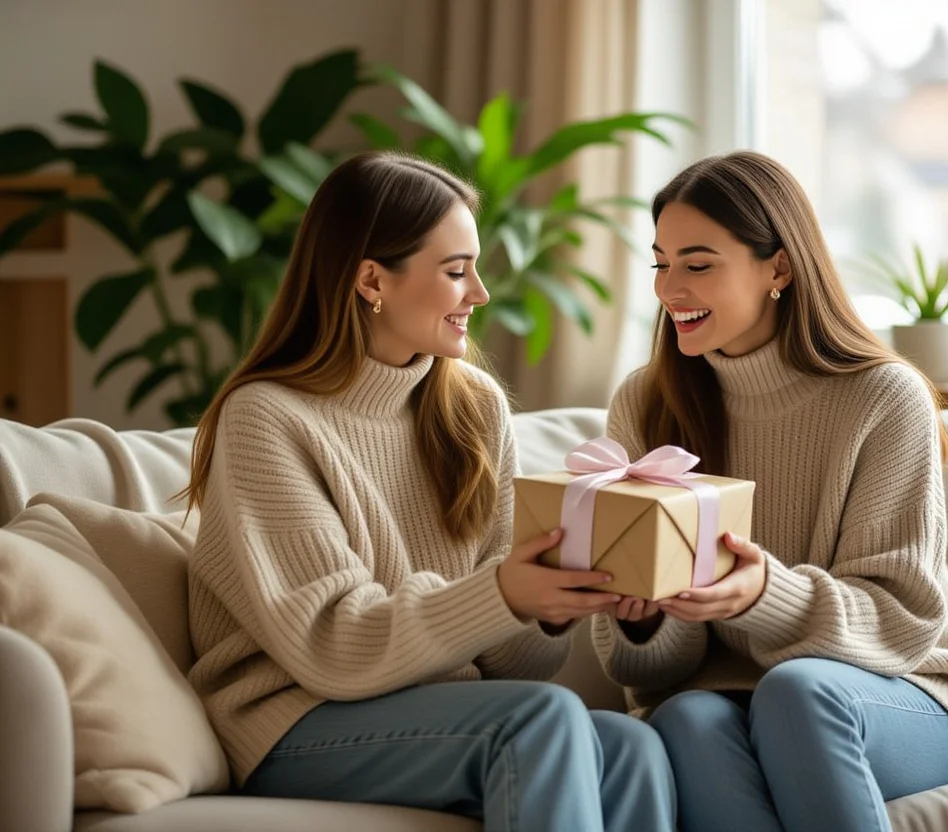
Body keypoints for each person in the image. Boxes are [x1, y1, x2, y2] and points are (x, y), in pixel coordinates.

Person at [182, 150, 675, 832]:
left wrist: (555, 603)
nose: (480, 294)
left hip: (439, 709)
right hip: (293, 720)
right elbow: (332, 646)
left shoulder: (472, 406)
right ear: (370, 280)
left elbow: (513, 665)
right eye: (455, 271)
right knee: (541, 721)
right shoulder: (267, 417)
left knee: (634, 748)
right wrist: (503, 591)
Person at [593, 150, 948, 832]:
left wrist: (763, 597)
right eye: (660, 264)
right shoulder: (645, 403)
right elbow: (651, 673)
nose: (670, 289)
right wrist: (644, 618)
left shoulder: (882, 396)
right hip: (723, 698)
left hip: (899, 692)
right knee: (686, 717)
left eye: (698, 264)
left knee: (795, 691)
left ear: (777, 267)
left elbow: (903, 620)